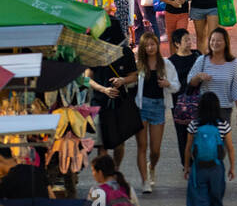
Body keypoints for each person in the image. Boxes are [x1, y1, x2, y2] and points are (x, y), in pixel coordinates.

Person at [86, 22, 143, 167]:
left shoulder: (126, 52)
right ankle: (105, 176)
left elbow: (134, 75)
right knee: (102, 145)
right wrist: (103, 89)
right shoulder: (95, 52)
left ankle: (115, 170)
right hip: (99, 103)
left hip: (120, 103)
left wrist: (122, 80)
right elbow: (87, 78)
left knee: (119, 143)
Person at [184, 91, 235, 206]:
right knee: (216, 198)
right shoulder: (223, 124)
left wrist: (186, 167)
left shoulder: (194, 124)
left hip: (199, 168)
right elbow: (230, 148)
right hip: (216, 168)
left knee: (201, 200)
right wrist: (232, 166)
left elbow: (188, 148)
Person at [135, 31, 179, 193]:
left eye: (152, 44)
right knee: (142, 146)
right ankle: (145, 180)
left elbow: (177, 86)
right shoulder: (139, 65)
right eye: (146, 45)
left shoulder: (166, 64)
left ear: (157, 45)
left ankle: (151, 166)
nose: (150, 48)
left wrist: (167, 83)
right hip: (141, 107)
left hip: (159, 106)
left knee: (155, 150)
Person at [187, 26, 237, 123]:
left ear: (226, 42)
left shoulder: (234, 63)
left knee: (222, 137)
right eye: (212, 40)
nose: (214, 43)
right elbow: (190, 82)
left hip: (224, 109)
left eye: (219, 40)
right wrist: (198, 77)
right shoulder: (202, 60)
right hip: (204, 108)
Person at [169, 27, 201, 164]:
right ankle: (186, 162)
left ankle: (199, 158)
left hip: (197, 101)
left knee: (198, 133)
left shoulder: (197, 55)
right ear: (177, 44)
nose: (189, 42)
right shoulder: (171, 62)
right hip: (178, 103)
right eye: (186, 40)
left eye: (190, 39)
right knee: (182, 133)